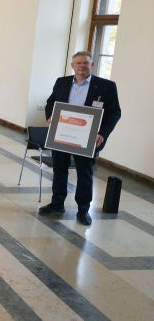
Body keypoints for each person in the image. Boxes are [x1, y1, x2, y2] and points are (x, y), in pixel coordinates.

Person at [39, 51, 121, 226]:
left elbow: (115, 113)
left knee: (85, 174)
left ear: (92, 65)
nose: (82, 66)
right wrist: (50, 117)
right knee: (59, 170)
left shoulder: (106, 86)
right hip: (61, 135)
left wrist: (103, 133)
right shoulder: (61, 82)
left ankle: (83, 210)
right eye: (79, 63)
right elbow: (51, 102)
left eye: (86, 63)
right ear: (72, 66)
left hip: (87, 139)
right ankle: (57, 204)